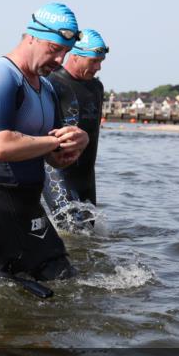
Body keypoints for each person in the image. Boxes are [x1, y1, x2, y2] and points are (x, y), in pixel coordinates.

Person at [0, 3, 89, 282]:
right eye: (55, 49)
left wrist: (76, 142)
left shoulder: (47, 87)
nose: (60, 60)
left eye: (65, 52)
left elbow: (52, 156)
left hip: (27, 202)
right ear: (32, 37)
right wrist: (51, 143)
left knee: (62, 277)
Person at [43, 29, 108, 225]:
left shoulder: (97, 87)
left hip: (86, 173)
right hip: (56, 171)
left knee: (89, 234)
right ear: (76, 56)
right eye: (93, 61)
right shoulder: (51, 82)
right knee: (71, 231)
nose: (98, 67)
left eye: (100, 62)